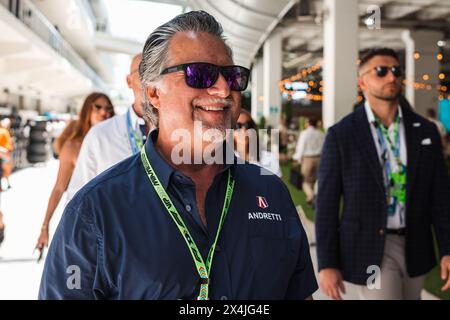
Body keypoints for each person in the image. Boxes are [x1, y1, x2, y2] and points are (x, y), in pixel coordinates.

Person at [39, 10, 318, 300]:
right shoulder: (93, 213)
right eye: (200, 74)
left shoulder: (272, 192)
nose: (223, 89)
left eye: (233, 77)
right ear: (154, 93)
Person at [316, 47, 450, 300]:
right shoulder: (342, 134)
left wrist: (447, 248)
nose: (391, 77)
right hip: (369, 246)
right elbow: (327, 203)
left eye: (396, 71)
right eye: (381, 71)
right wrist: (327, 262)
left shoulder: (425, 131)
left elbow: (441, 197)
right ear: (362, 81)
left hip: (416, 244)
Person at [35, 92, 114, 254]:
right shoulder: (73, 146)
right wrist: (45, 226)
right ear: (87, 110)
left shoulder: (116, 142)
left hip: (109, 219)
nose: (103, 112)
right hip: (81, 219)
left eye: (108, 108)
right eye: (98, 107)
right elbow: (59, 188)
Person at [66, 54, 147, 201]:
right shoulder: (99, 135)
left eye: (157, 70)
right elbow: (77, 196)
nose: (150, 76)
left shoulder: (179, 133)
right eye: (143, 70)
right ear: (129, 81)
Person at [233, 109, 281, 176]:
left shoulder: (269, 158)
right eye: (237, 126)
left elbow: (278, 185)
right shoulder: (225, 162)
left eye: (248, 125)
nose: (244, 130)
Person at [292, 118, 325, 205]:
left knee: (305, 181)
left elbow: (301, 147)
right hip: (319, 158)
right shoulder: (321, 134)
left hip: (308, 159)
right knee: (315, 180)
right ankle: (314, 198)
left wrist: (297, 158)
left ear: (309, 123)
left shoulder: (304, 133)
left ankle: (311, 196)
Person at [0, 118, 14, 190]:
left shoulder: (5, 131)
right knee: (6, 168)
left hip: (6, 153)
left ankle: (7, 183)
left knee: (6, 168)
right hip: (4, 154)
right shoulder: (3, 131)